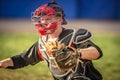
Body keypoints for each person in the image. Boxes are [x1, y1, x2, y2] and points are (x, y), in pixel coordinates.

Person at [0, 1, 103, 80]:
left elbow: (97, 52)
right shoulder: (43, 42)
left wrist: (76, 53)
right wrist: (1, 63)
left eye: (48, 19)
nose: (44, 22)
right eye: (42, 20)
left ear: (60, 19)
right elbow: (22, 59)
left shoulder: (74, 36)